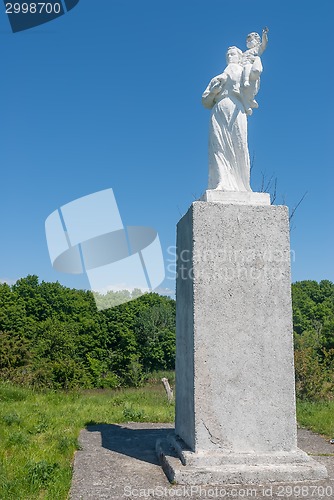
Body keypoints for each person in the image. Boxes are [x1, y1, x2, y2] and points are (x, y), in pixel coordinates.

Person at [202, 46, 252, 191]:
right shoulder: (217, 78)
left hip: (236, 109)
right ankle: (221, 181)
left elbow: (252, 85)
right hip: (218, 110)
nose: (230, 57)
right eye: (228, 55)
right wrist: (213, 92)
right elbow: (205, 101)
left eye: (233, 54)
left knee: (239, 144)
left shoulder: (243, 73)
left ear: (239, 57)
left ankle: (242, 184)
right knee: (218, 146)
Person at [234, 28, 269, 115]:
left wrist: (264, 35)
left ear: (257, 41)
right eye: (247, 41)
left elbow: (264, 45)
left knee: (247, 67)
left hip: (249, 66)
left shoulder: (257, 49)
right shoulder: (244, 52)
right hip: (241, 67)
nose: (248, 42)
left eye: (251, 40)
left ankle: (246, 81)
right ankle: (246, 104)